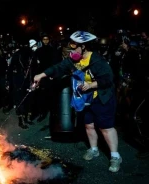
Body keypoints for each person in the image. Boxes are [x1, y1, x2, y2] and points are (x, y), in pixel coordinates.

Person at [33, 31, 122, 172]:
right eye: (71, 45)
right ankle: (94, 149)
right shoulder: (74, 60)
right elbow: (58, 68)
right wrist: (41, 75)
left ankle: (115, 156)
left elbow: (108, 79)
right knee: (89, 125)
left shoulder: (97, 60)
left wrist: (92, 85)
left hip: (102, 97)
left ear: (84, 46)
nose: (71, 49)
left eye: (74, 46)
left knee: (105, 128)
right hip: (86, 98)